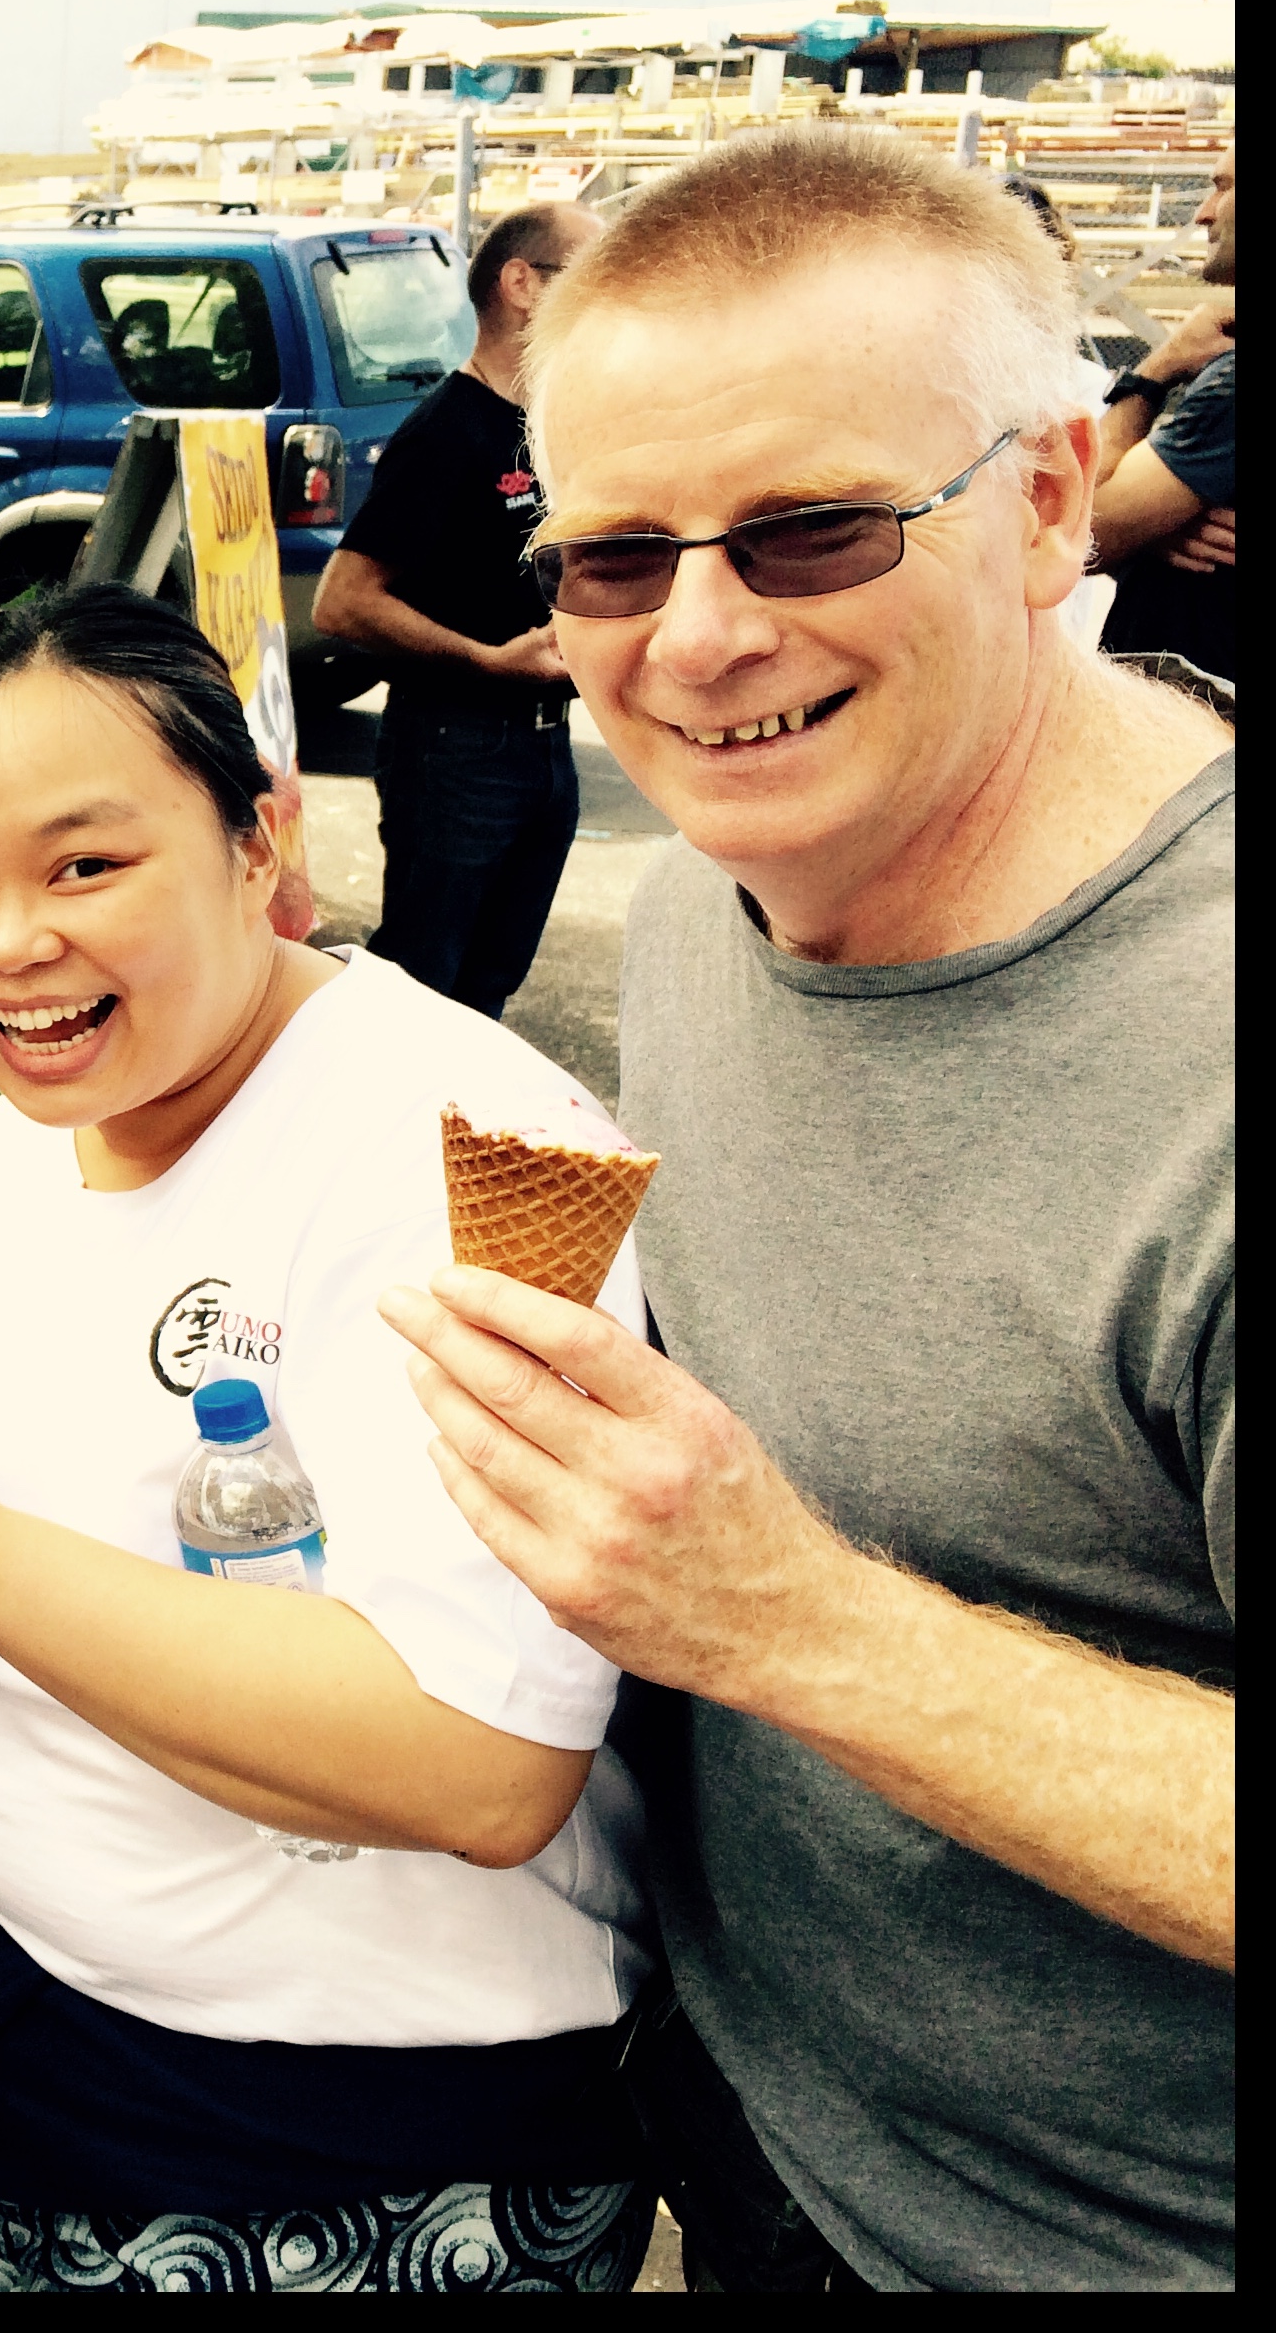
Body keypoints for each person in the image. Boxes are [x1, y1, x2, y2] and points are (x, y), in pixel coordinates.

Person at [392, 125, 1231, 2288]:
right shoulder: (705, 901)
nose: (694, 637)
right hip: (743, 2112)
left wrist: (780, 1619)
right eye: (608, 558)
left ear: (1047, 502)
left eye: (810, 530)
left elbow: (760, 1593)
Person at [0, 583, 659, 2295]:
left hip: (349, 2157)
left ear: (255, 837)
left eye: (85, 864)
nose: (9, 942)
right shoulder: (0, 1156)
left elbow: (479, 1765)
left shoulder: (467, 1153)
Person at [313, 199, 605, 1020]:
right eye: (591, 273)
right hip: (456, 751)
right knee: (419, 989)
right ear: (521, 283)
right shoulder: (445, 432)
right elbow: (343, 601)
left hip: (547, 750)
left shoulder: (547, 428)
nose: (607, 293)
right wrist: (486, 661)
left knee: (489, 988)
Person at [1090, 145, 1235, 681]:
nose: (1203, 213)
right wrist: (1156, 525)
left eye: (1223, 188)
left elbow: (1081, 535)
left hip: (1190, 709)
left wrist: (1157, 369)